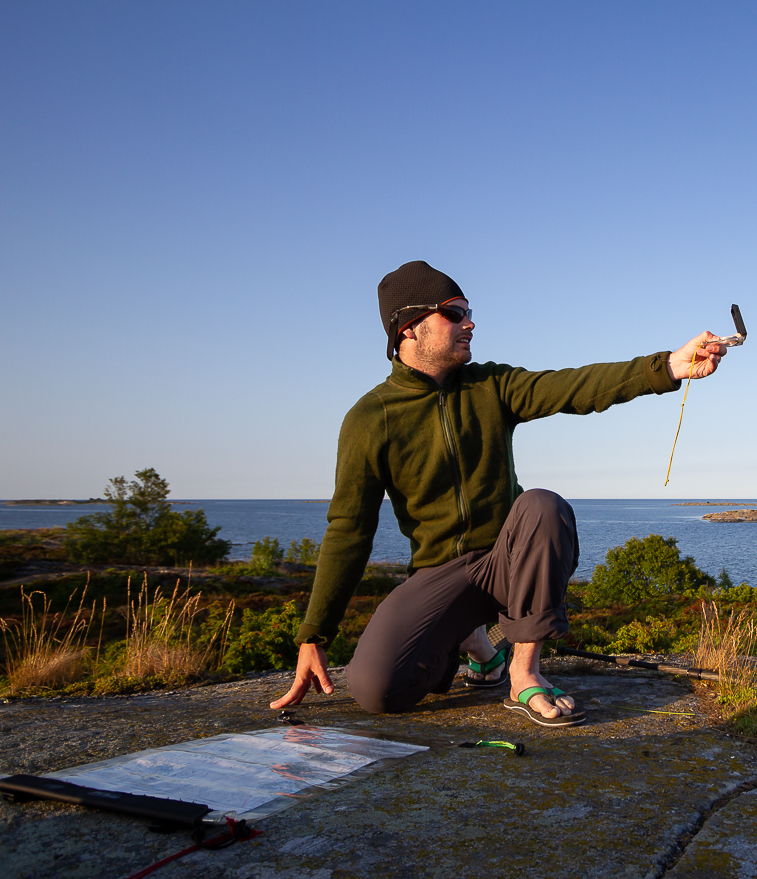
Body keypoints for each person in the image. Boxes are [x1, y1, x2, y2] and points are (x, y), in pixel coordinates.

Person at [270, 260, 726, 726]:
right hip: (440, 575)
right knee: (377, 690)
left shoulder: (493, 385)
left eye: (469, 311)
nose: (470, 322)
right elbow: (349, 529)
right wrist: (314, 634)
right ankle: (478, 649)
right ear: (408, 327)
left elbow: (575, 387)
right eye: (454, 313)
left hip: (510, 562)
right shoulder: (370, 418)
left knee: (543, 506)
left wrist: (670, 366)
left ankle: (523, 674)